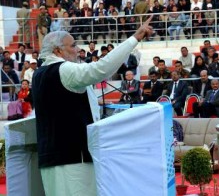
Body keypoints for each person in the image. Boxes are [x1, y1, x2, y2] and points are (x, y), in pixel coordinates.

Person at [32, 16, 153, 196]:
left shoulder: (39, 74)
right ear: (58, 51)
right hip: (72, 160)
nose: (78, 49)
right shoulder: (63, 69)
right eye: (73, 45)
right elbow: (100, 69)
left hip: (55, 158)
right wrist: (135, 37)